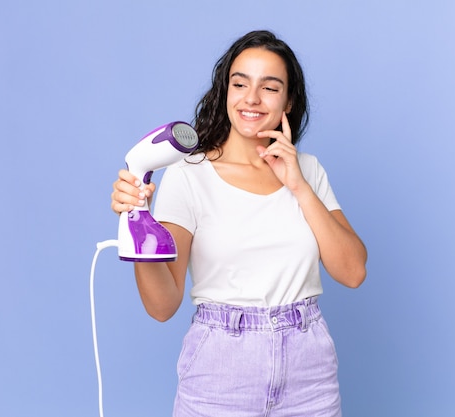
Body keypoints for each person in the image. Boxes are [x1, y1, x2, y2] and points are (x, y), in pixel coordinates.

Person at [111, 30, 367, 417]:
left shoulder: (308, 171)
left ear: (289, 101)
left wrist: (297, 186)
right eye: (240, 83)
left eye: (269, 87)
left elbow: (352, 271)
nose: (251, 98)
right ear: (225, 91)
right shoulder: (188, 174)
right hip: (220, 370)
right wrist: (137, 221)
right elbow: (163, 306)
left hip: (308, 368)